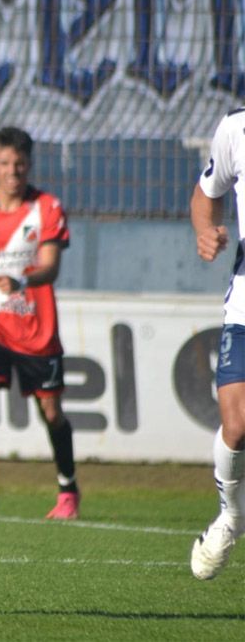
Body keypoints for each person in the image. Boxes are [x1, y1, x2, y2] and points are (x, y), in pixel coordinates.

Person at [0, 126, 80, 520]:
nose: (12, 171)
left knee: (51, 411)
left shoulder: (47, 209)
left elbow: (51, 267)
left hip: (35, 327)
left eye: (19, 164)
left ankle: (68, 490)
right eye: (5, 163)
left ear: (29, 165)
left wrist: (23, 279)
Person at [188, 106, 245, 581]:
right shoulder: (236, 128)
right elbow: (207, 195)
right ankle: (230, 516)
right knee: (237, 421)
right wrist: (206, 232)